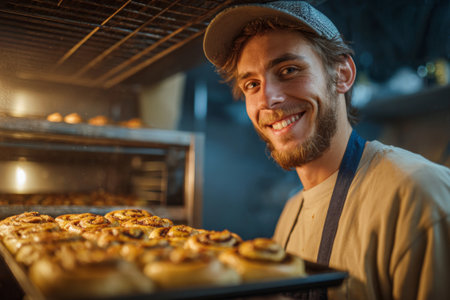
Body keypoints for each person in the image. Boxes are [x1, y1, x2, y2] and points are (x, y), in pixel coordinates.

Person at [202, 1, 450, 299]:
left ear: (342, 74)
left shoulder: (418, 194)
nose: (268, 99)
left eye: (289, 70)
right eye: (252, 84)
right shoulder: (291, 213)